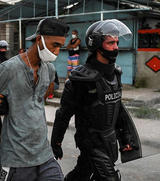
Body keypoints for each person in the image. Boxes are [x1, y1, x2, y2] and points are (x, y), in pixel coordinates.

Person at [51, 19, 142, 181]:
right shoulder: (81, 79)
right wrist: (56, 142)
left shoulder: (116, 74)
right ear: (97, 45)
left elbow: (117, 109)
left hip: (109, 140)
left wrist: (125, 139)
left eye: (117, 42)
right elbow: (63, 114)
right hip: (91, 142)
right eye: (110, 43)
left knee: (82, 172)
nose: (116, 47)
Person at [0, 18, 69, 181]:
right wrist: (4, 135)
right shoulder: (9, 68)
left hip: (44, 155)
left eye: (61, 46)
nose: (57, 52)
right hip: (16, 158)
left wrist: (20, 102)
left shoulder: (49, 69)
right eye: (55, 45)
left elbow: (40, 99)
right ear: (39, 39)